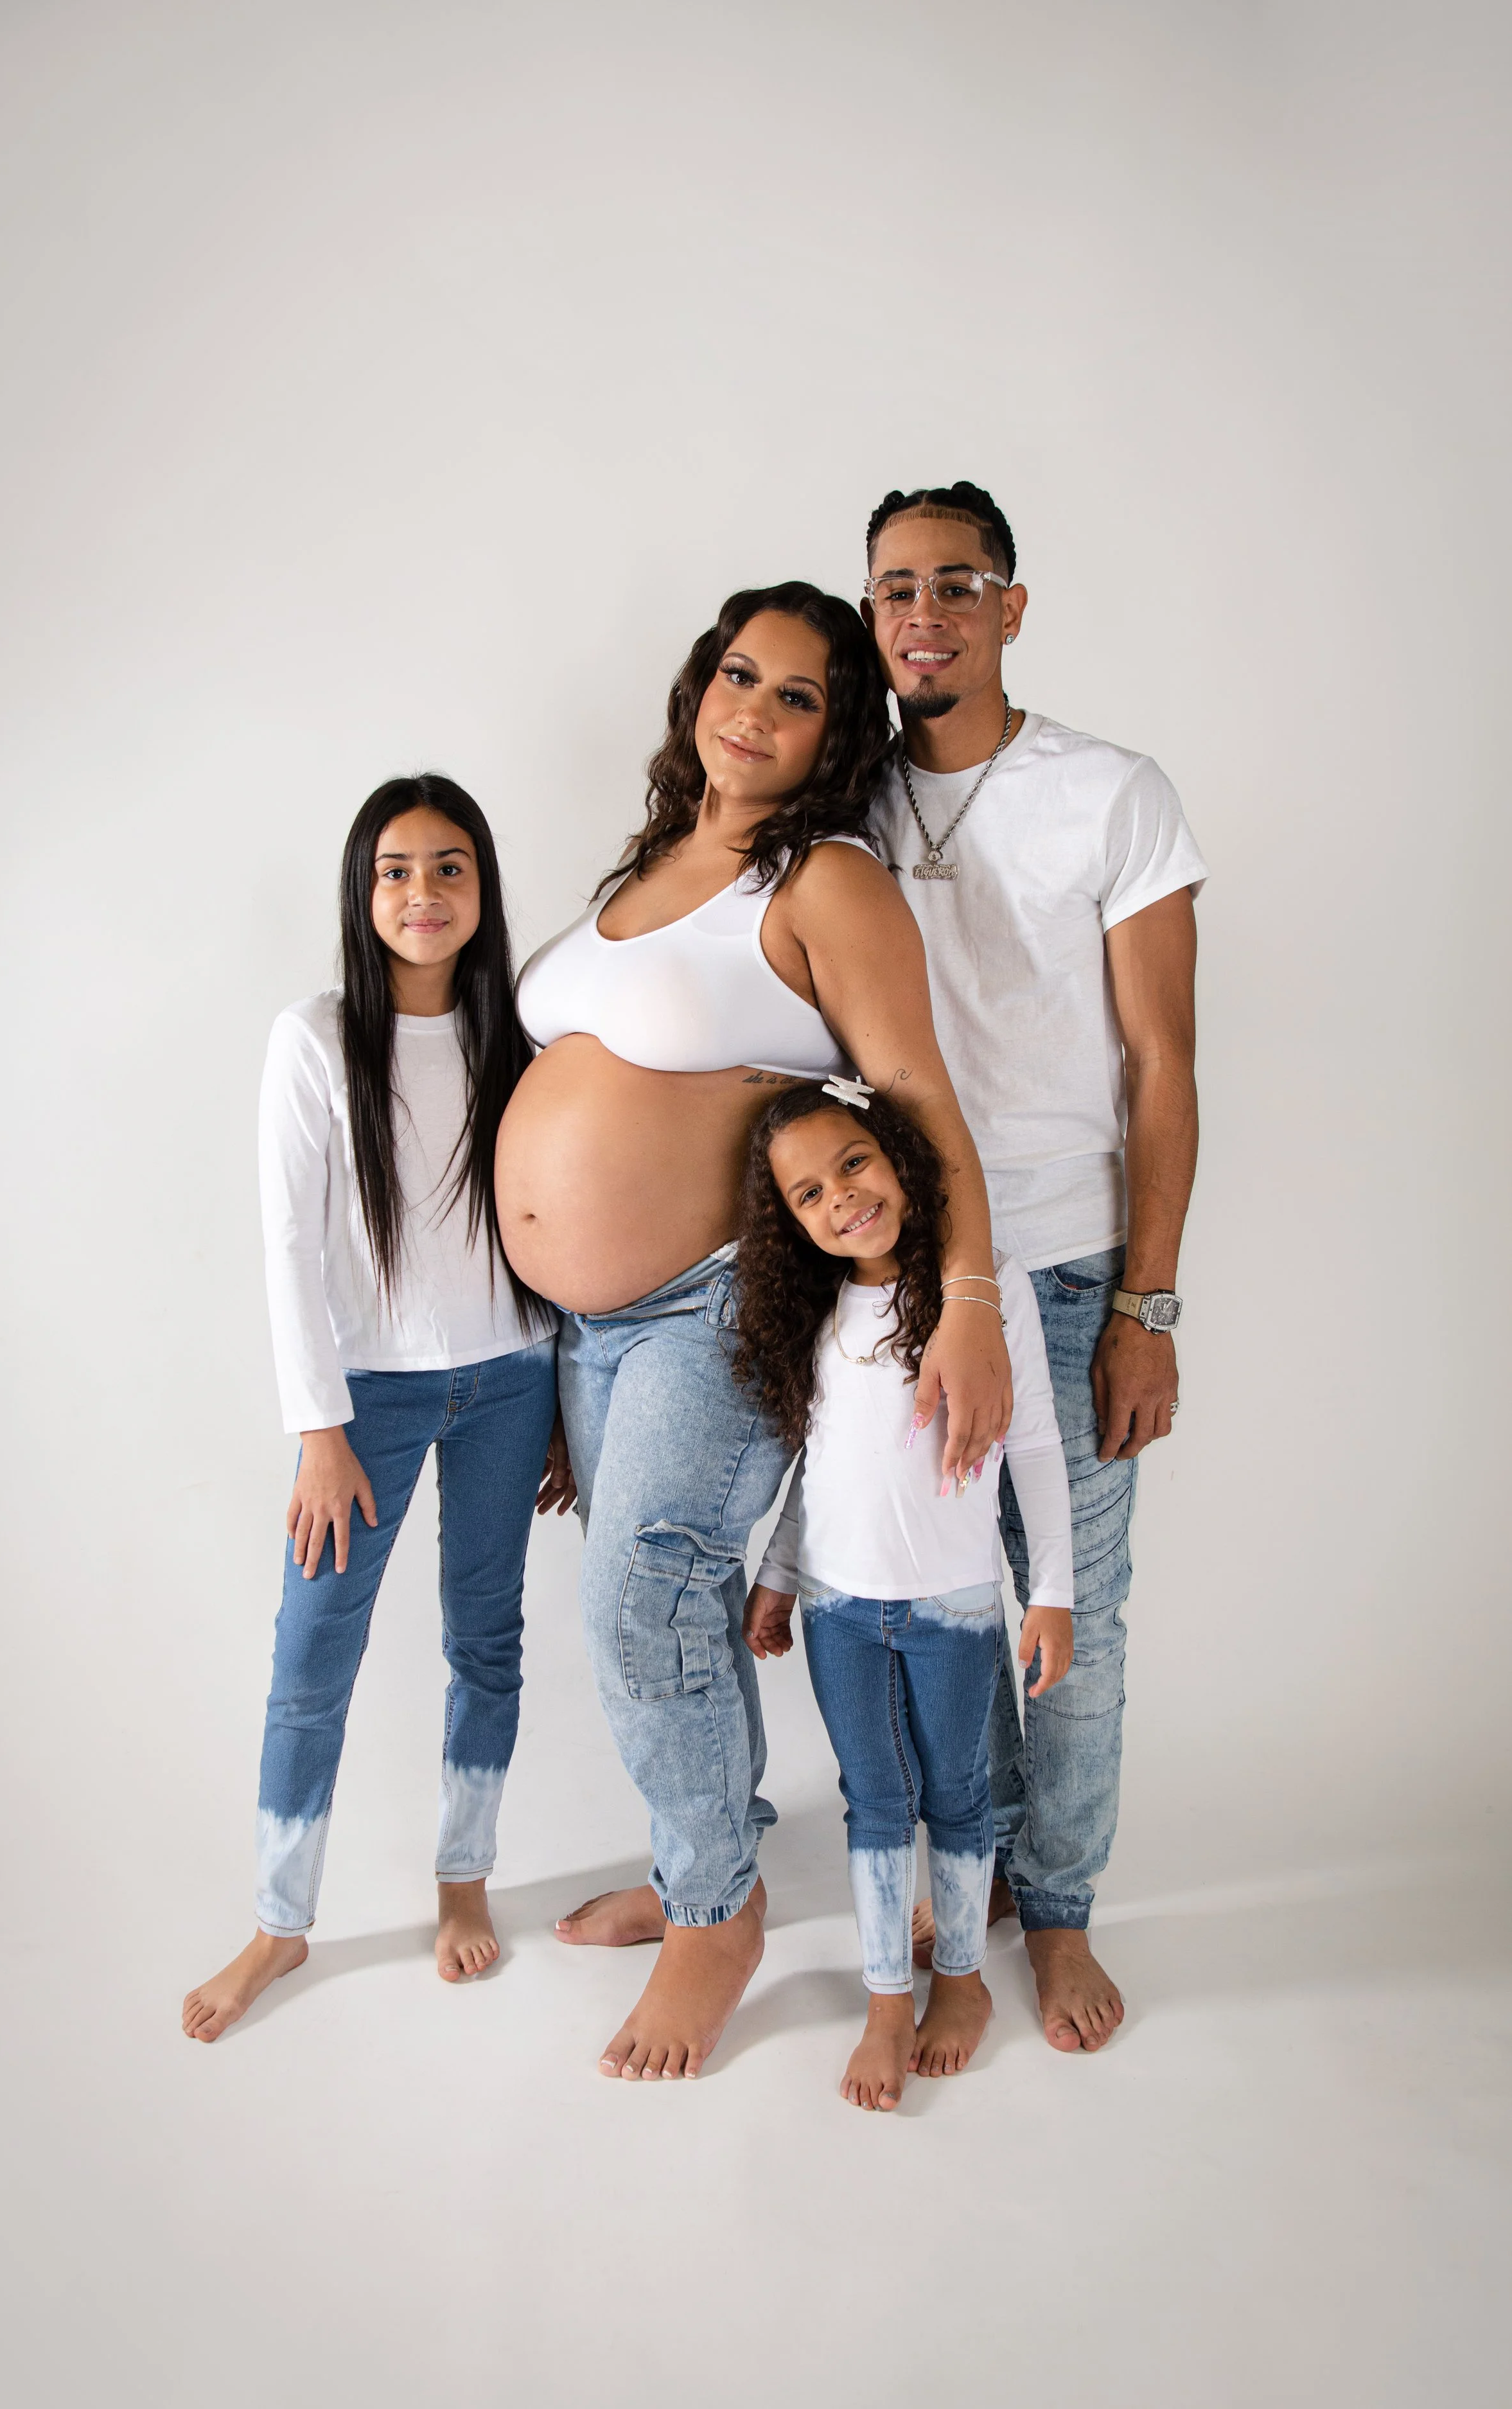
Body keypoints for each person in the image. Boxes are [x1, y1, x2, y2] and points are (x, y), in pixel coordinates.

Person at [498, 581, 1013, 2081]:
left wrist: (963, 1306)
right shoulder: (652, 861)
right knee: (662, 1601)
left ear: (836, 734)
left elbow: (921, 1105)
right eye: (738, 675)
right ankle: (694, 1858)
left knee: (640, 1595)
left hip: (720, 1292)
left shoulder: (826, 882)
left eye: (797, 696)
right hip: (587, 1326)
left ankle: (713, 1920)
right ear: (696, 687)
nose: (754, 710)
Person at [861, 482, 1206, 2053]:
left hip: (1065, 1273)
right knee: (926, 1601)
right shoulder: (845, 798)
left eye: (954, 581)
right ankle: (968, 1862)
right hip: (889, 1280)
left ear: (1010, 605)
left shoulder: (1110, 791)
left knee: (1072, 1609)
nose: (919, 612)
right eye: (892, 589)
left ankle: (1054, 1910)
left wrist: (1146, 1305)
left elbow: (1162, 1061)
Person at [182, 775, 572, 2044]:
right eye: (395, 870)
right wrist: (317, 1430)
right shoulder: (312, 1038)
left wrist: (562, 1393)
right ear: (363, 894)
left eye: (449, 867)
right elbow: (286, 1243)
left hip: (513, 1379)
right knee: (311, 1661)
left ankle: (463, 1882)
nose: (422, 892)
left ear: (482, 889)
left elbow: (550, 1223)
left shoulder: (517, 1034)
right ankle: (278, 1923)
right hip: (368, 1403)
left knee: (486, 1641)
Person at [735, 1081, 1073, 2110]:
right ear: (791, 1222)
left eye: (853, 1163)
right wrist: (780, 1576)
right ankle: (888, 2000)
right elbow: (819, 1464)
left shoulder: (984, 1289)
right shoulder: (821, 1312)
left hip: (955, 1609)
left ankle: (961, 1982)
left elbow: (1038, 1447)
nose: (841, 1198)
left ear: (896, 1156)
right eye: (808, 1194)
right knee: (876, 1801)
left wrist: (1050, 1592)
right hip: (842, 1612)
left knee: (961, 1795)